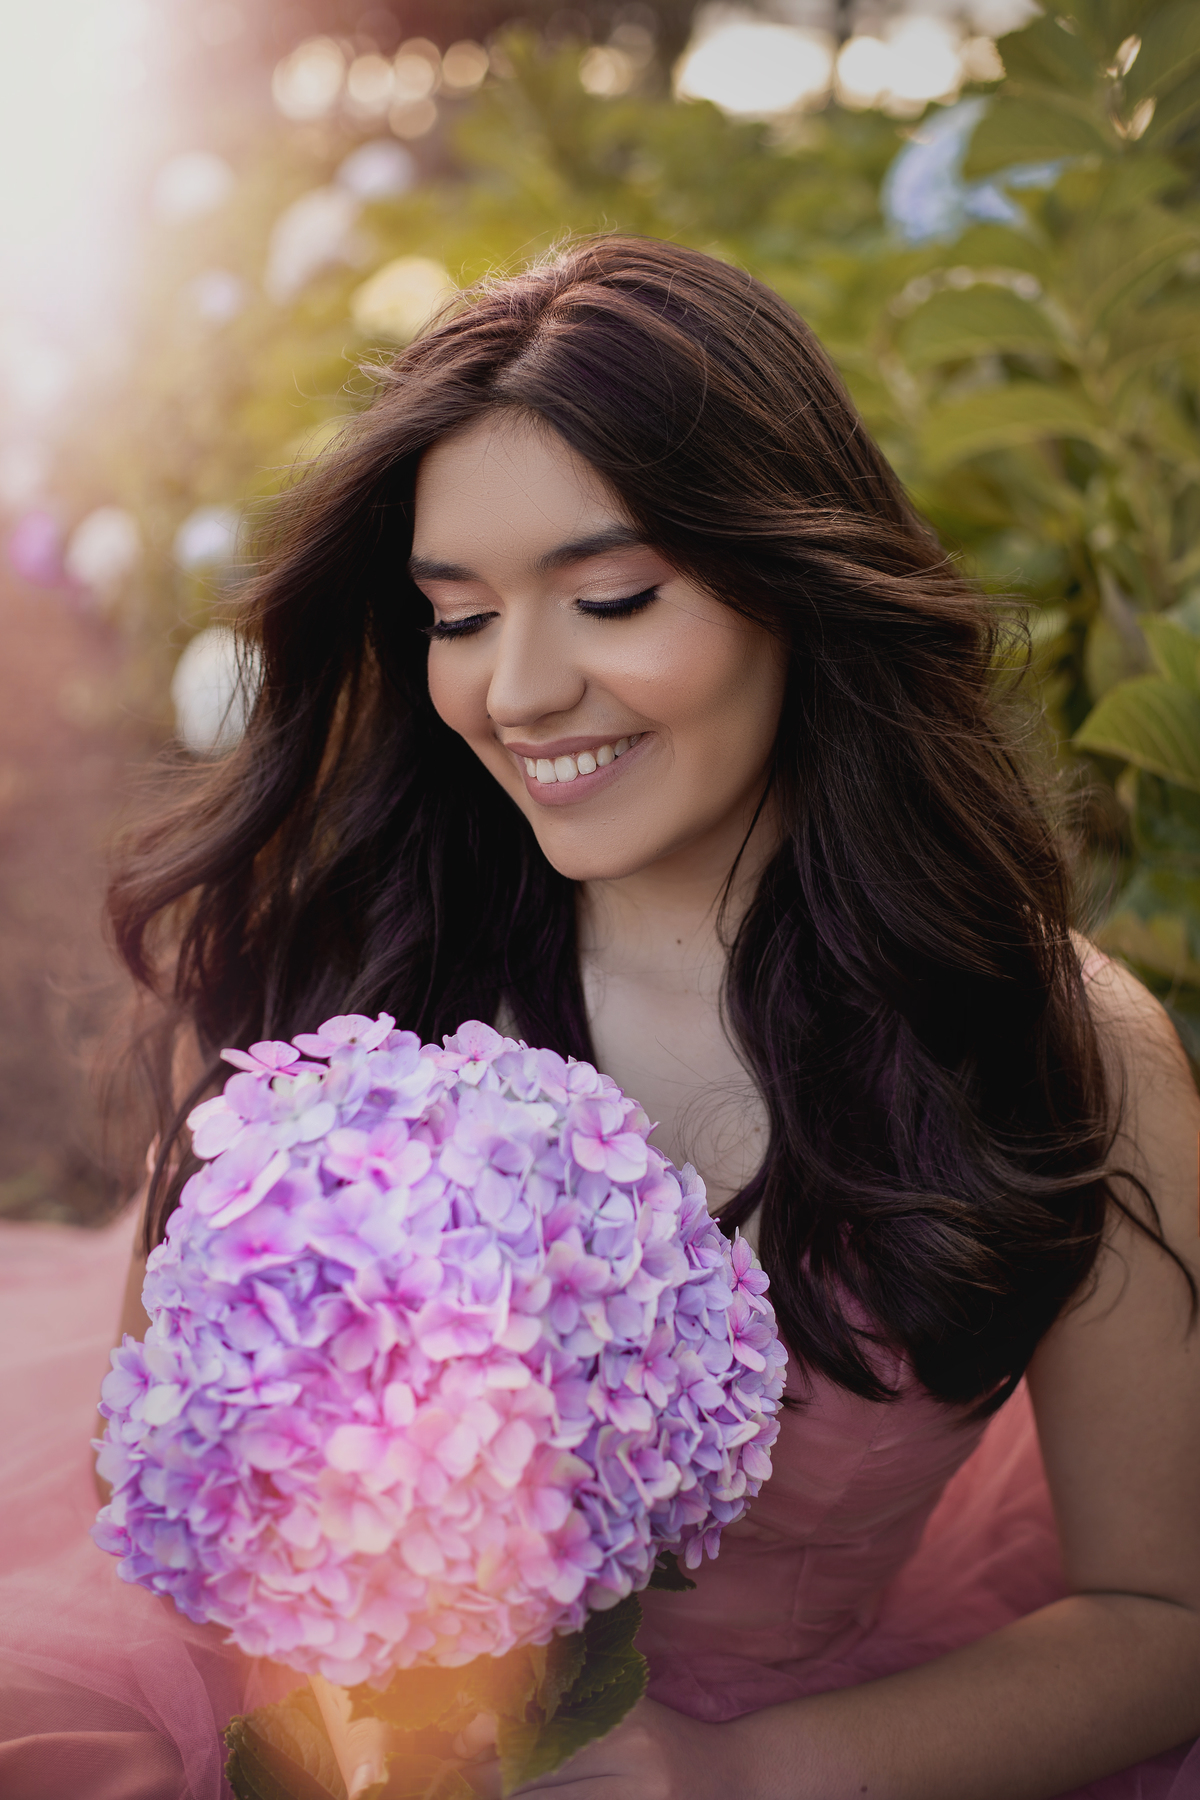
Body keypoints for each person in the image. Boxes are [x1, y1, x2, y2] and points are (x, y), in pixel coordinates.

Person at [1, 235, 1197, 1800]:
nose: (519, 690)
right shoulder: (363, 973)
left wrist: (738, 1775)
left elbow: (1166, 1615)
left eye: (611, 596)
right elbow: (158, 1464)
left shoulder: (1060, 1046)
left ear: (796, 580)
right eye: (460, 615)